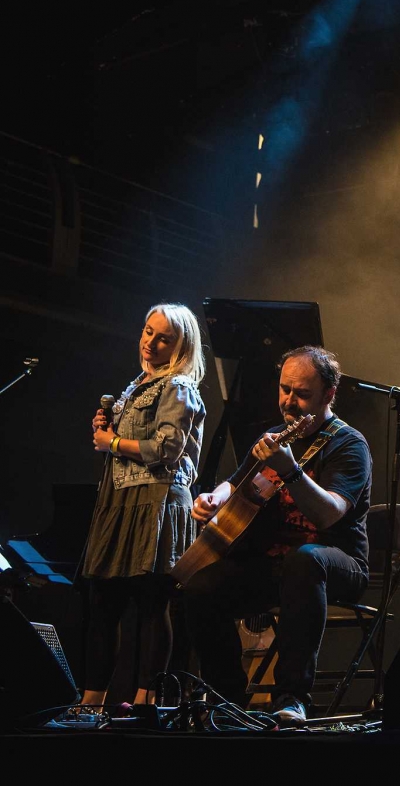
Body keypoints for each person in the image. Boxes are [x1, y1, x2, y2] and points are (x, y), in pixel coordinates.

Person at [184, 345, 372, 726]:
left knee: (305, 560)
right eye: (285, 389)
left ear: (329, 394)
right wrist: (213, 499)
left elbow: (329, 514)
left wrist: (291, 471)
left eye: (301, 393)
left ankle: (292, 698)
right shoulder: (274, 436)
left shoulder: (349, 444)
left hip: (337, 561)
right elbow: (235, 483)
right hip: (277, 563)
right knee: (199, 587)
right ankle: (227, 699)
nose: (289, 401)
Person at [81, 303, 207, 709]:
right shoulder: (137, 385)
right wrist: (109, 434)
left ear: (180, 346)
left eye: (163, 338)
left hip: (157, 500)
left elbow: (167, 448)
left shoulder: (178, 386)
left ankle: (146, 702)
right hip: (121, 499)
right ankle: (91, 702)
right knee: (104, 603)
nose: (150, 342)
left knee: (152, 603)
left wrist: (114, 442)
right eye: (148, 331)